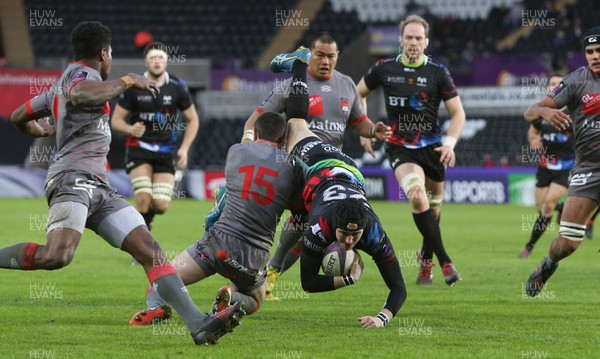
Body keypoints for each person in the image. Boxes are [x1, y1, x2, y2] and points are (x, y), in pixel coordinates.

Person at [0, 21, 241, 345]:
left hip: (99, 186)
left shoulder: (56, 87)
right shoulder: (82, 78)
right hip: (73, 179)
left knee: (150, 250)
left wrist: (39, 130)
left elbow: (18, 116)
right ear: (104, 53)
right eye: (111, 54)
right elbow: (79, 94)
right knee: (57, 256)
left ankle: (199, 324)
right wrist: (128, 80)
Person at [241, 32, 392, 300]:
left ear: (337, 57)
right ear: (310, 55)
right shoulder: (292, 86)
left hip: (330, 173)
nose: (325, 61)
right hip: (296, 165)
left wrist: (373, 130)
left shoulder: (347, 85)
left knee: (311, 231)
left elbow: (358, 122)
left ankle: (270, 273)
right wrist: (248, 142)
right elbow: (256, 119)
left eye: (330, 56)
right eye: (319, 55)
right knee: (297, 223)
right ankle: (259, 267)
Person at [129, 111, 305, 327]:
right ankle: (232, 297)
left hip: (217, 244)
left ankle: (155, 307)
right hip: (253, 255)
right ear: (283, 139)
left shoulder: (236, 151)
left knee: (162, 279)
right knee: (255, 300)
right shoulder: (292, 168)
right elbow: (299, 213)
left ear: (257, 132)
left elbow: (248, 137)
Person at [273, 47, 407, 327]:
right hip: (319, 165)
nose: (349, 242)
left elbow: (399, 289)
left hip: (346, 169)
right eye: (345, 235)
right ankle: (299, 63)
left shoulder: (371, 231)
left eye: (353, 236)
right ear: (334, 226)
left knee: (296, 216)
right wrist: (347, 278)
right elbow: (308, 283)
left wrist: (382, 319)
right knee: (296, 125)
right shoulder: (319, 226)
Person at [356, 15, 466, 286]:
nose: (413, 43)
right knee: (418, 198)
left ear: (426, 42)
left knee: (434, 214)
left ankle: (425, 262)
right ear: (401, 40)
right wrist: (366, 130)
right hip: (400, 148)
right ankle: (446, 262)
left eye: (419, 38)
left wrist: (450, 144)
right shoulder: (384, 68)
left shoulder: (438, 72)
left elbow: (458, 114)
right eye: (409, 37)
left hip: (433, 149)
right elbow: (358, 94)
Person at [524, 27, 600, 297]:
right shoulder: (577, 80)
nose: (595, 56)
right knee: (567, 243)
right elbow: (530, 111)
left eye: (599, 51)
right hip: (588, 169)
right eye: (590, 52)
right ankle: (547, 265)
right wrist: (546, 110)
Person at [111, 41, 199, 234]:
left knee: (160, 204)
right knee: (142, 199)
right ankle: (141, 240)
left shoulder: (177, 86)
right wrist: (129, 128)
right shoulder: (134, 86)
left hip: (166, 152)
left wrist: (184, 149)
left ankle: (146, 223)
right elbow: (115, 121)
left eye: (160, 57)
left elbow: (193, 120)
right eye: (152, 58)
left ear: (166, 61)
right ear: (146, 62)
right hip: (138, 148)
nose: (157, 61)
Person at [518, 74, 575, 258]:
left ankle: (529, 246)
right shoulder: (541, 112)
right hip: (544, 167)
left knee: (548, 205)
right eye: (551, 84)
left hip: (566, 168)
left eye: (558, 84)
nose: (554, 86)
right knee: (541, 207)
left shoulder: (573, 112)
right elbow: (533, 131)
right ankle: (563, 209)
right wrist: (534, 140)